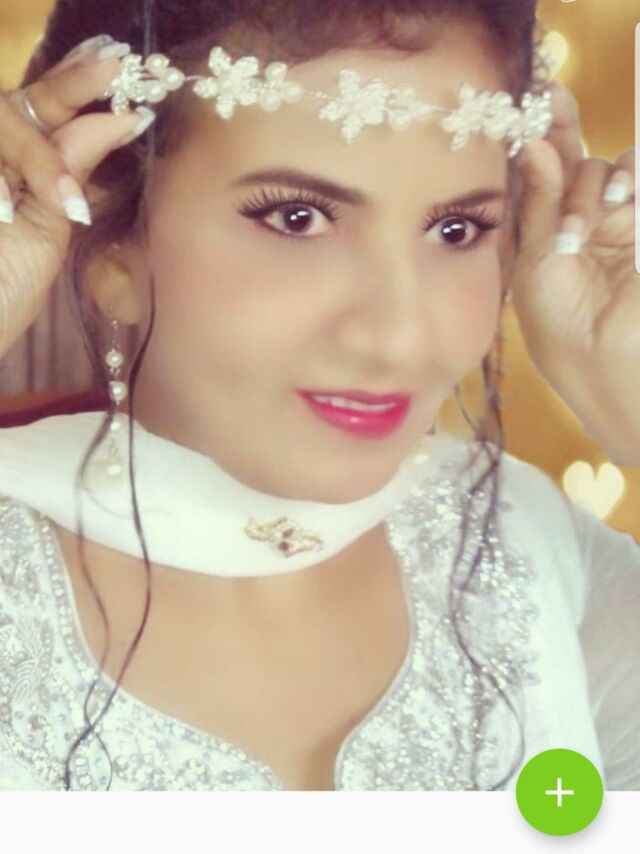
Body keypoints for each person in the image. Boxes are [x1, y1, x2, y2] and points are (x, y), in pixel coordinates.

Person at [0, 0, 638, 792]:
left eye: (458, 231)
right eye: (297, 218)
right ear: (111, 246)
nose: (398, 335)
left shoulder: (530, 547)